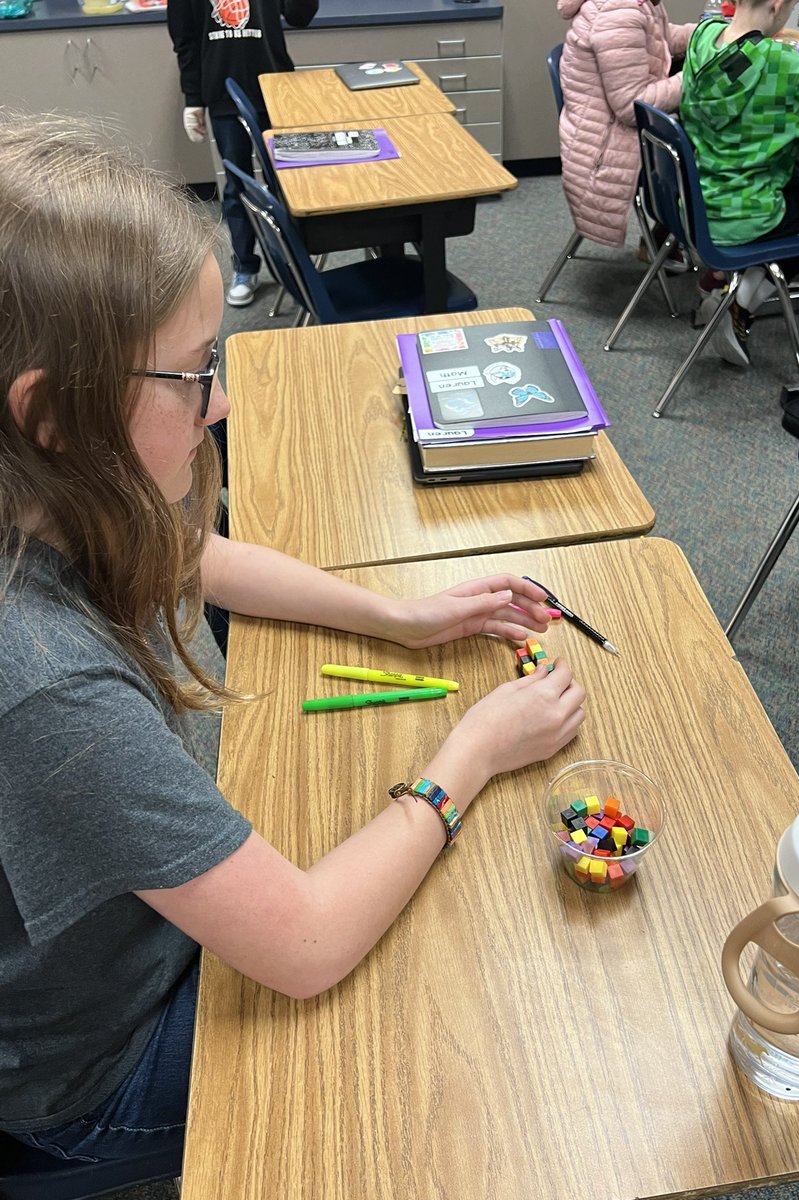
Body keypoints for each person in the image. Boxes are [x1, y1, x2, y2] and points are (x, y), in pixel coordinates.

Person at [0, 113, 587, 1163]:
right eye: (190, 376)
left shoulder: (39, 493)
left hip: (149, 935)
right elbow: (308, 944)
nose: (219, 400)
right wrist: (474, 754)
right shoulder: (44, 687)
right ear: (49, 415)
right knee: (452, 1019)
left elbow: (185, 553)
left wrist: (401, 616)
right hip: (96, 1065)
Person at [680, 0, 799, 367]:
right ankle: (744, 302)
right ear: (777, 5)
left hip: (696, 200)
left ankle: (722, 280)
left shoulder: (702, 38)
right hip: (743, 213)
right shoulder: (780, 63)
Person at [167, 0, 319, 308]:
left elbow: (299, 16)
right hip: (222, 89)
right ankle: (245, 267)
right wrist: (193, 98)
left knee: (287, 183)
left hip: (273, 86)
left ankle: (297, 260)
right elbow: (185, 39)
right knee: (237, 186)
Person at [556, 0, 696, 264]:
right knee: (719, 155)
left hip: (604, 137)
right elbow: (633, 106)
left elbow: (662, 39)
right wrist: (697, 75)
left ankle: (662, 241)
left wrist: (711, 33)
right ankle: (727, 273)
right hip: (610, 150)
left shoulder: (639, 4)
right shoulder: (619, 15)